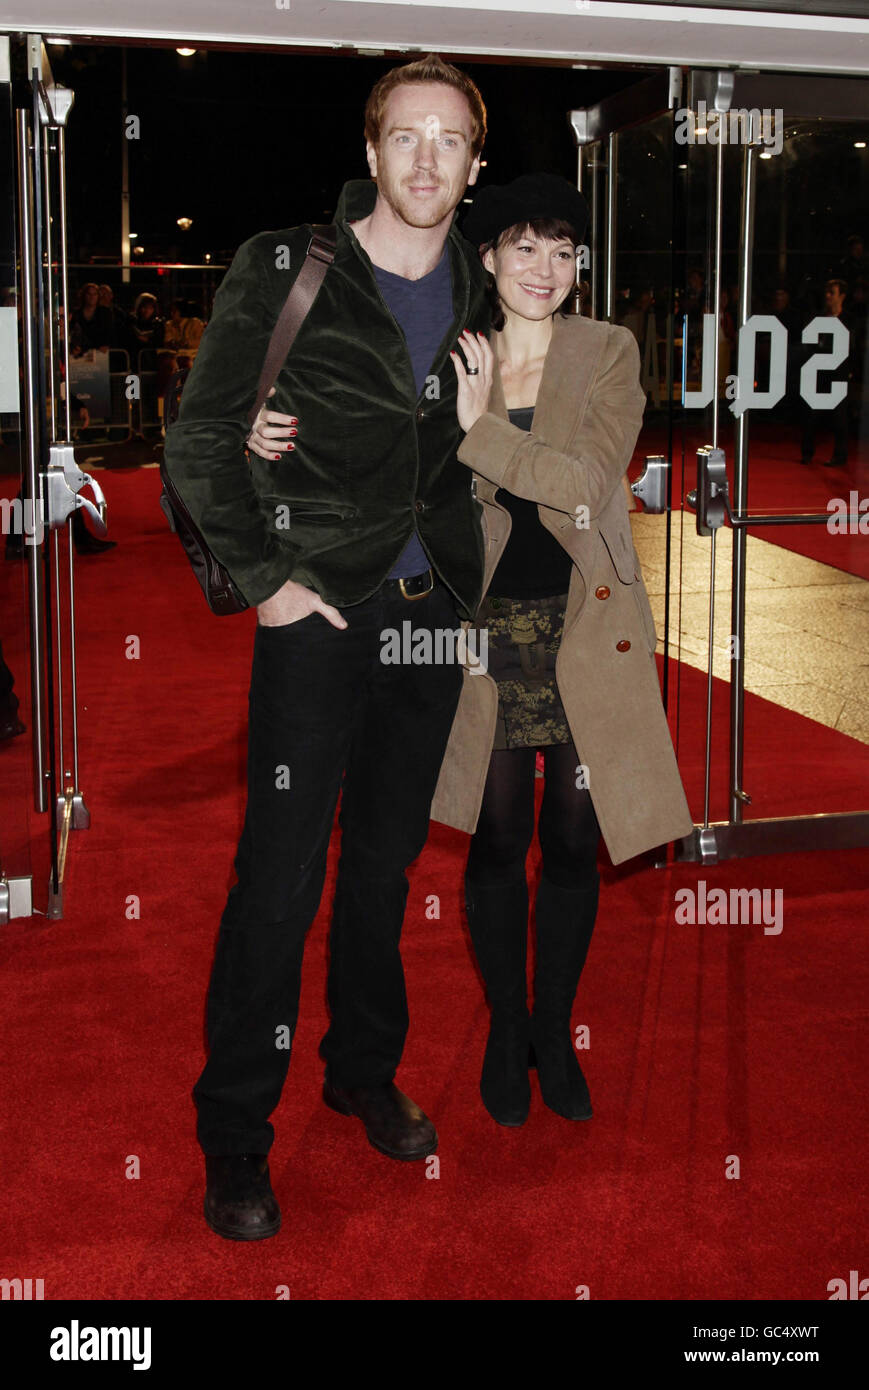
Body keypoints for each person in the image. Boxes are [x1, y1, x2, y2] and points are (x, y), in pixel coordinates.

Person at [249, 174, 695, 1131]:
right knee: (496, 841)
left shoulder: (607, 350)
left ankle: (551, 1030)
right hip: (478, 631)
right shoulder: (448, 350)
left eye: (563, 249)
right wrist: (264, 432)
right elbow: (365, 455)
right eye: (524, 247)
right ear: (485, 258)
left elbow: (579, 488)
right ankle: (503, 1027)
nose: (546, 268)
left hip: (583, 628)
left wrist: (479, 430)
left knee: (573, 842)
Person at [162, 53, 489, 1241]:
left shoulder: (484, 286)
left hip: (427, 621)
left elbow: (505, 451)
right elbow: (197, 443)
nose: (423, 158)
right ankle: (236, 1136)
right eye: (403, 135)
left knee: (384, 867)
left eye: (447, 139)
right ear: (369, 152)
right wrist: (272, 588)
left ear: (471, 164)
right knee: (279, 877)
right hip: (318, 621)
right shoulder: (288, 266)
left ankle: (359, 1069)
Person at [800, 278, 851, 468]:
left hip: (839, 377)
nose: (828, 297)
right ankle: (807, 453)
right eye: (827, 293)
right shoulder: (818, 319)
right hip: (819, 376)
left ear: (842, 297)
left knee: (840, 420)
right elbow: (810, 346)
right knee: (811, 418)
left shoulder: (849, 320)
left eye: (833, 293)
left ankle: (840, 456)